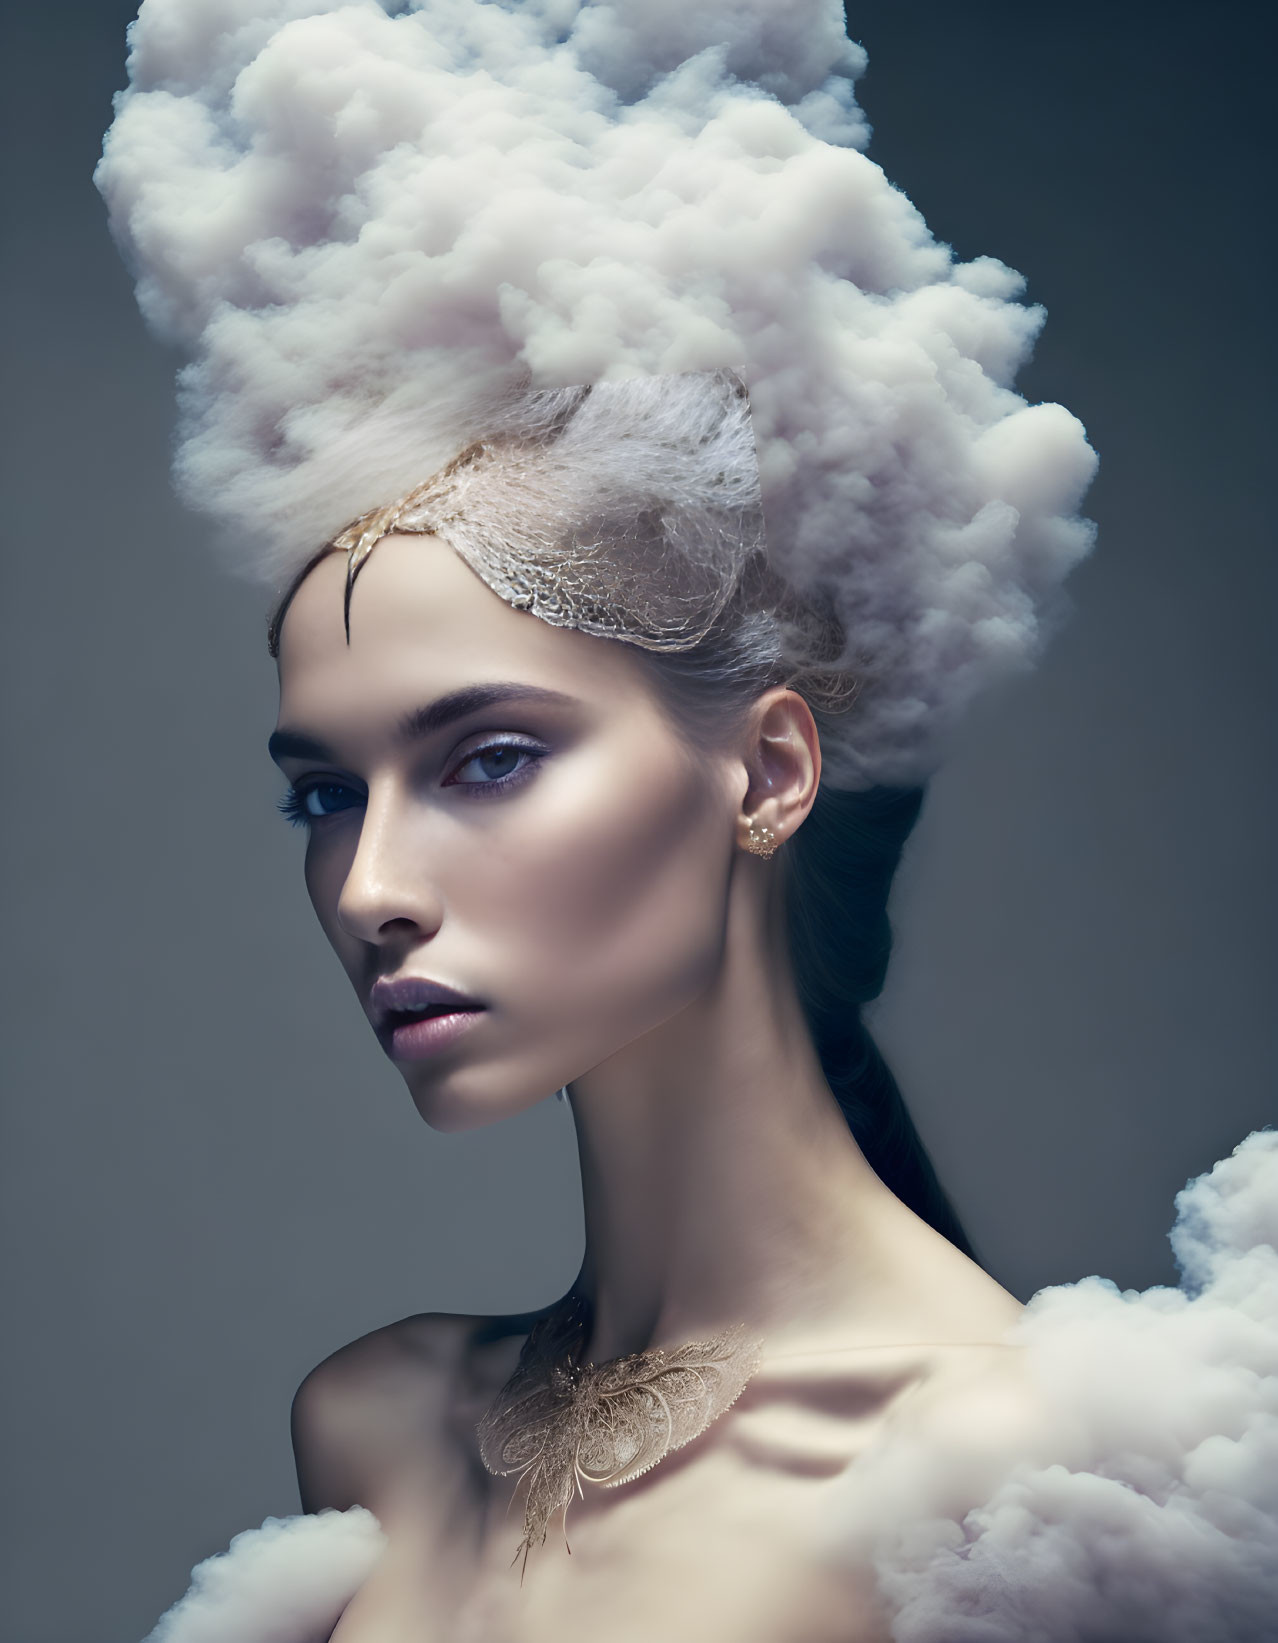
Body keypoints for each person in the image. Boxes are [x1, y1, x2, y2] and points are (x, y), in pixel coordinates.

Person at [96, 4, 1276, 1640]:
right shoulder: (377, 1423)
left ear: (769, 772)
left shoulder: (996, 1474)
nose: (368, 886)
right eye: (322, 792)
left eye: (488, 758)